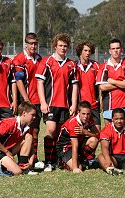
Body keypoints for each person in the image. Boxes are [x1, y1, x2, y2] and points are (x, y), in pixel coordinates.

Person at [36, 33, 78, 171]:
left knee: (61, 134)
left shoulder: (71, 64)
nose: (63, 48)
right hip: (51, 104)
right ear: (55, 46)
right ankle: (48, 161)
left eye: (65, 46)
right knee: (51, 130)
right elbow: (40, 83)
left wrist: (73, 104)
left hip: (65, 105)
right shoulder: (47, 62)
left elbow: (75, 86)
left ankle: (59, 160)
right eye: (60, 45)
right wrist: (43, 102)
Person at [13, 33, 43, 169]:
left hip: (37, 100)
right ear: (26, 44)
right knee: (23, 131)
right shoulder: (19, 59)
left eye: (35, 43)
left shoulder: (40, 59)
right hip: (26, 101)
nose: (33, 46)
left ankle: (34, 158)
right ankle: (22, 159)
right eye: (31, 43)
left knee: (35, 130)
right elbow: (18, 81)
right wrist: (26, 100)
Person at [0, 101, 38, 176]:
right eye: (32, 115)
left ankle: (23, 166)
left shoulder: (27, 127)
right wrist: (6, 152)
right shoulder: (10, 123)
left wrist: (30, 162)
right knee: (17, 172)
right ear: (24, 113)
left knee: (29, 137)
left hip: (8, 151)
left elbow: (32, 147)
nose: (34, 117)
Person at [96, 38, 125, 125]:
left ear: (121, 50)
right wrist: (122, 83)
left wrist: (113, 82)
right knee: (109, 134)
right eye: (113, 49)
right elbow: (102, 87)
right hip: (109, 106)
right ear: (109, 51)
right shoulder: (104, 67)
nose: (115, 51)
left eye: (117, 48)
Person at [56, 101, 99, 173]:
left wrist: (86, 132)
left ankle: (82, 160)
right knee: (79, 168)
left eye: (88, 114)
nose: (86, 116)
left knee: (94, 140)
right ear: (78, 112)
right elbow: (74, 146)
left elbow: (98, 135)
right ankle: (61, 161)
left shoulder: (90, 119)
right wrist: (75, 168)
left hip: (78, 143)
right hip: (65, 148)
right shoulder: (73, 123)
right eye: (83, 114)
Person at [75, 41, 101, 131]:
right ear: (80, 51)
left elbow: (101, 86)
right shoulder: (74, 66)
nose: (88, 53)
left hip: (93, 106)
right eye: (85, 50)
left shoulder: (96, 66)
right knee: (77, 134)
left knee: (96, 134)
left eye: (89, 51)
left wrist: (99, 101)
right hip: (78, 106)